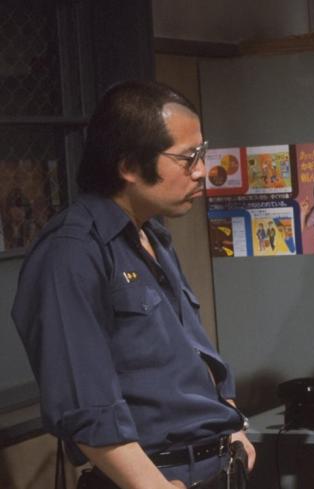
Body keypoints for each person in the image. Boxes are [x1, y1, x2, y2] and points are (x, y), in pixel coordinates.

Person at [12, 80, 255, 489]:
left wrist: (232, 427)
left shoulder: (153, 235)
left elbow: (192, 353)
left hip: (218, 467)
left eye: (202, 153)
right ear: (128, 166)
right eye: (188, 158)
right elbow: (85, 405)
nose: (201, 172)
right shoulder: (71, 251)